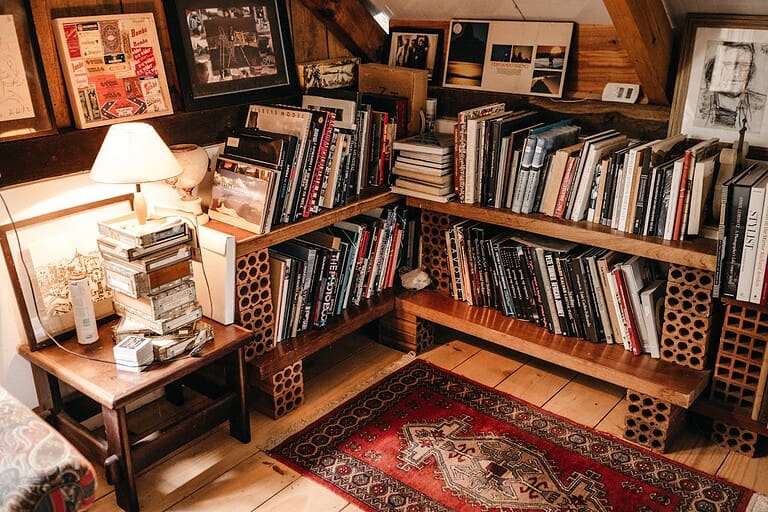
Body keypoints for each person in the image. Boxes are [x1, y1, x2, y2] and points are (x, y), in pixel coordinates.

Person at [698, 42, 767, 129]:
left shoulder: (760, 105)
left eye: (744, 65)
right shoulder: (699, 100)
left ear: (750, 70)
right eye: (729, 64)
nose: (737, 73)